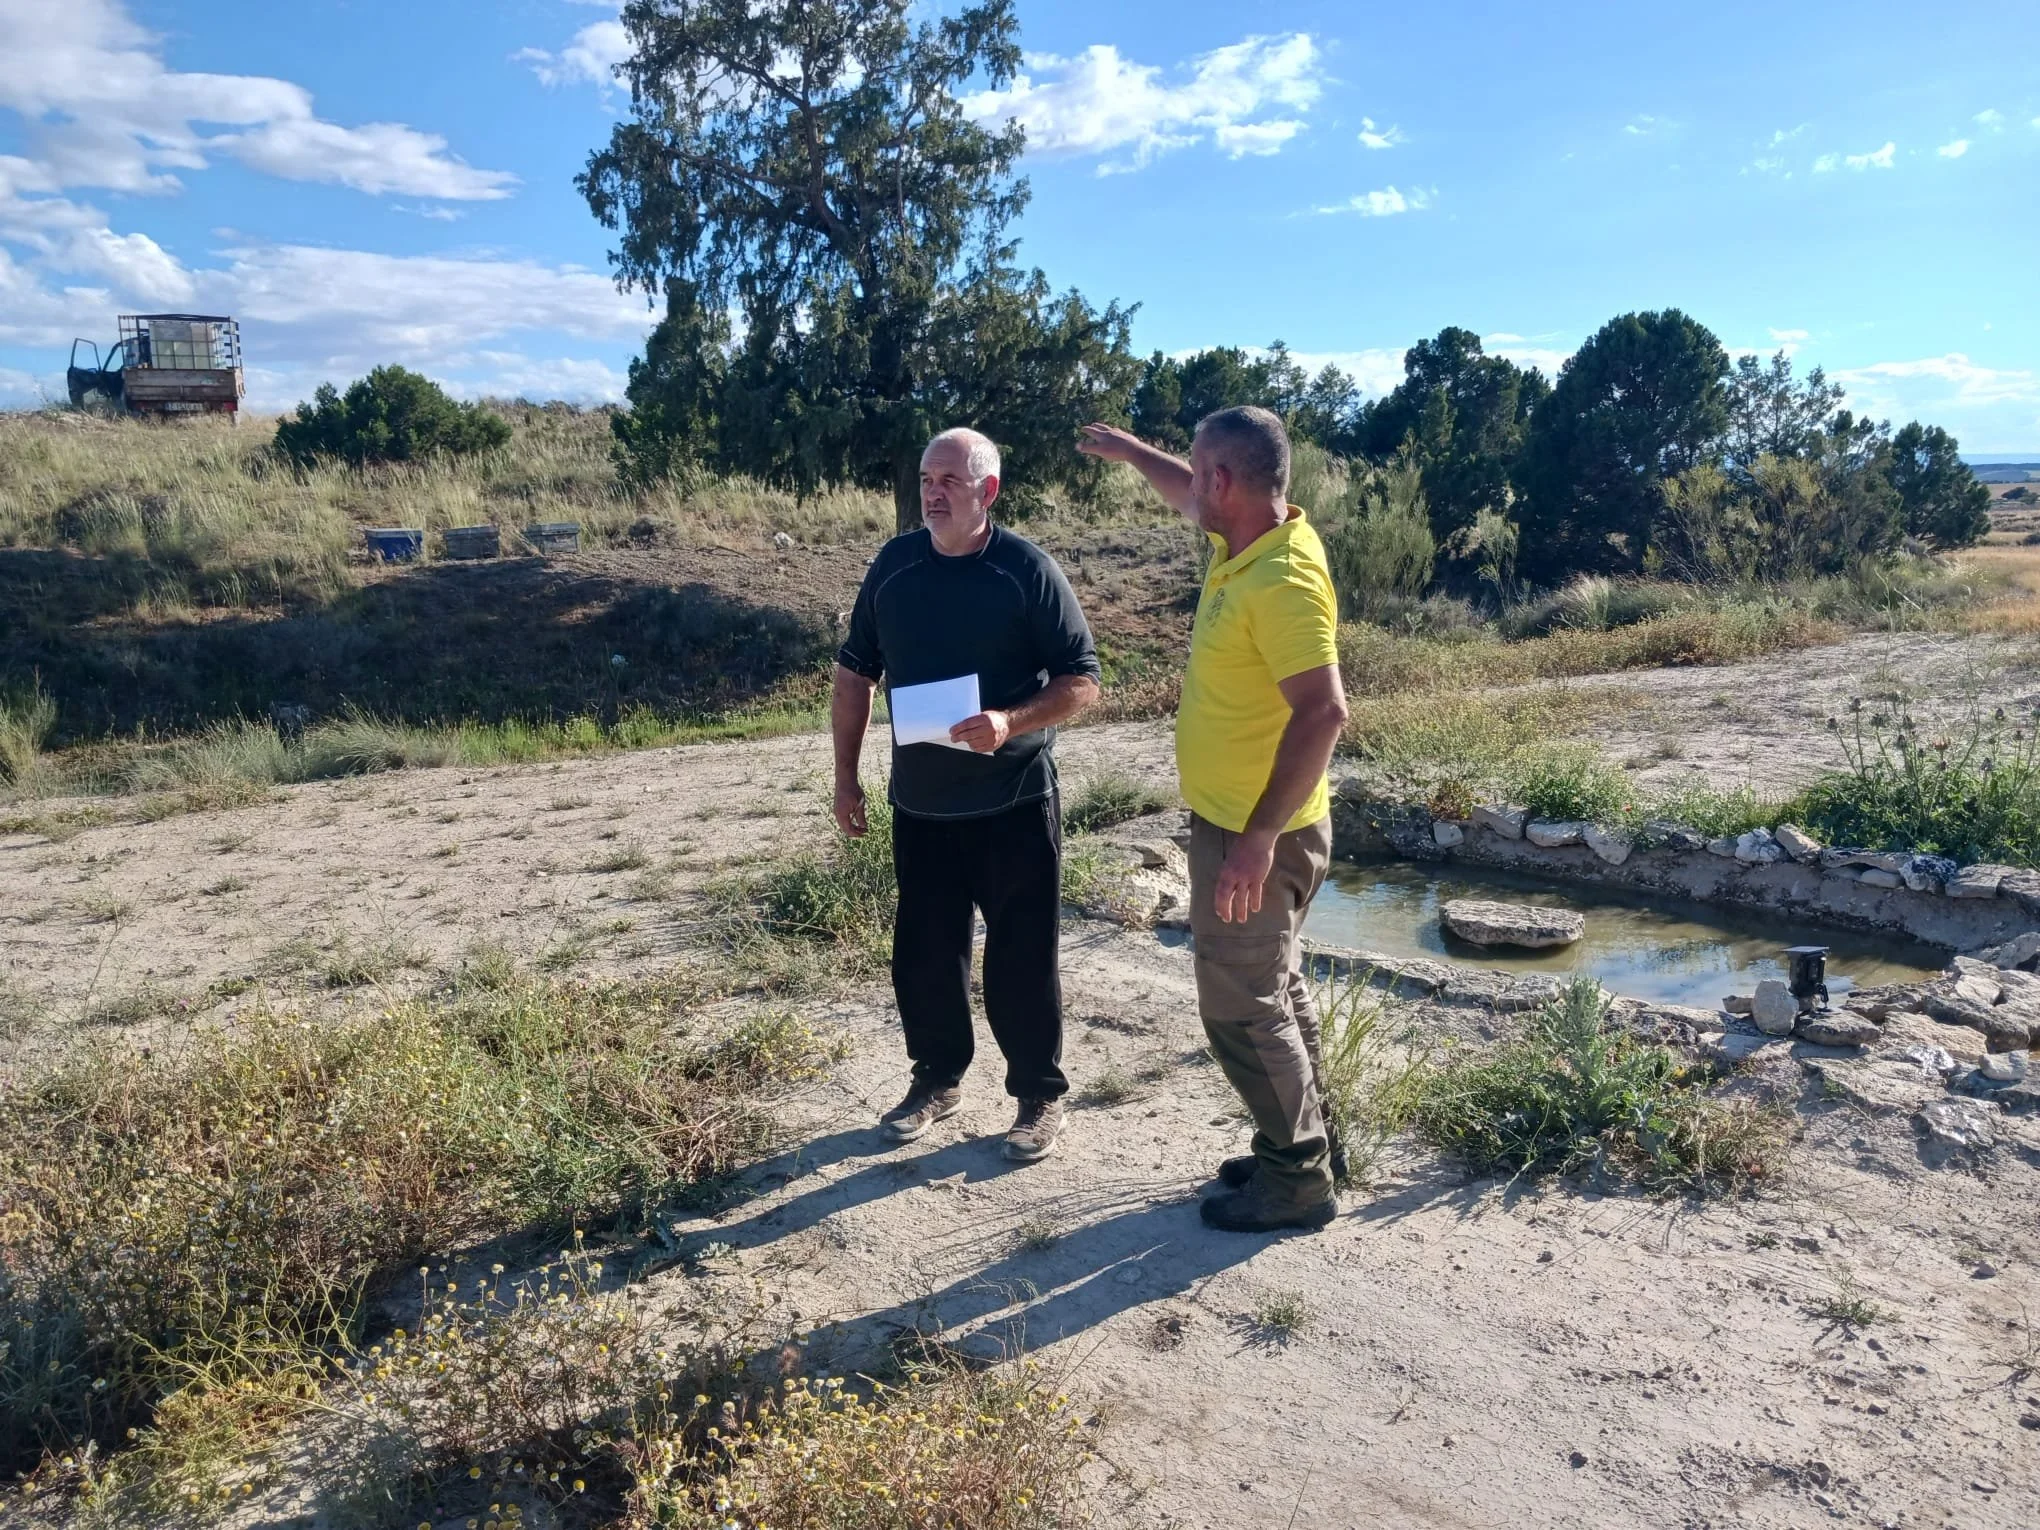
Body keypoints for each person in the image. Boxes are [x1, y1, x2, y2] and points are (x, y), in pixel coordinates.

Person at [1077, 407, 1349, 1232]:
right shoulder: (1249, 542)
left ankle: (1297, 1179)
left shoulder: (1281, 579)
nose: (1189, 486)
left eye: (1199, 472)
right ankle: (1302, 1142)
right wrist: (1131, 454)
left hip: (1256, 833)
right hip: (1246, 824)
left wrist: (1257, 839)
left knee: (1239, 1005)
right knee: (1276, 984)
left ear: (1224, 482)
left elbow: (1324, 713)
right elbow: (1185, 492)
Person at [833, 427, 1102, 1162]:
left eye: (949, 480)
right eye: (926, 478)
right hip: (921, 805)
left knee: (1021, 955)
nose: (932, 492)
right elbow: (855, 674)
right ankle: (936, 1081)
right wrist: (845, 776)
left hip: (1014, 798)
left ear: (987, 492)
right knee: (924, 952)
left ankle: (1039, 1096)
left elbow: (1082, 680)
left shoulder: (1025, 570)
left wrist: (1011, 720)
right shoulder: (894, 567)